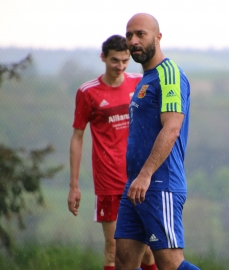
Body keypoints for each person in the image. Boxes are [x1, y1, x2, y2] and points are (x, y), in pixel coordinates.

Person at [114, 13, 200, 270]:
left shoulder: (169, 74)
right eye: (129, 35)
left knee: (170, 263)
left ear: (158, 37)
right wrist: (137, 178)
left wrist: (146, 173)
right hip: (136, 186)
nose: (134, 40)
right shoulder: (147, 78)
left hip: (159, 183)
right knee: (124, 260)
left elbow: (172, 128)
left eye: (141, 34)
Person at [67, 35, 157, 270]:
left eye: (125, 60)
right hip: (108, 181)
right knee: (114, 249)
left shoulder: (140, 83)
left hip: (138, 178)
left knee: (148, 250)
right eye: (115, 60)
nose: (120, 66)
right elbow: (77, 137)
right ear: (103, 58)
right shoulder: (88, 92)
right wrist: (74, 185)